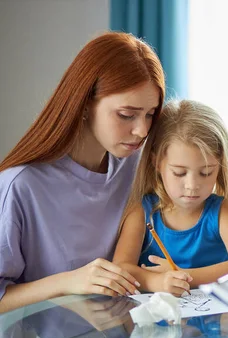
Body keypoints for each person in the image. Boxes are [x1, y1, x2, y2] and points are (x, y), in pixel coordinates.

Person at [0, 32, 166, 314]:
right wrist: (68, 283)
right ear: (86, 105)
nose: (142, 131)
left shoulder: (137, 168)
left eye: (150, 114)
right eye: (127, 115)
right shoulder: (21, 186)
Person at [112, 100, 228, 294]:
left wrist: (184, 275)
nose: (192, 185)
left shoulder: (223, 213)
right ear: (156, 162)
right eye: (179, 173)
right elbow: (122, 268)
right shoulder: (142, 211)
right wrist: (159, 283)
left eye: (206, 172)